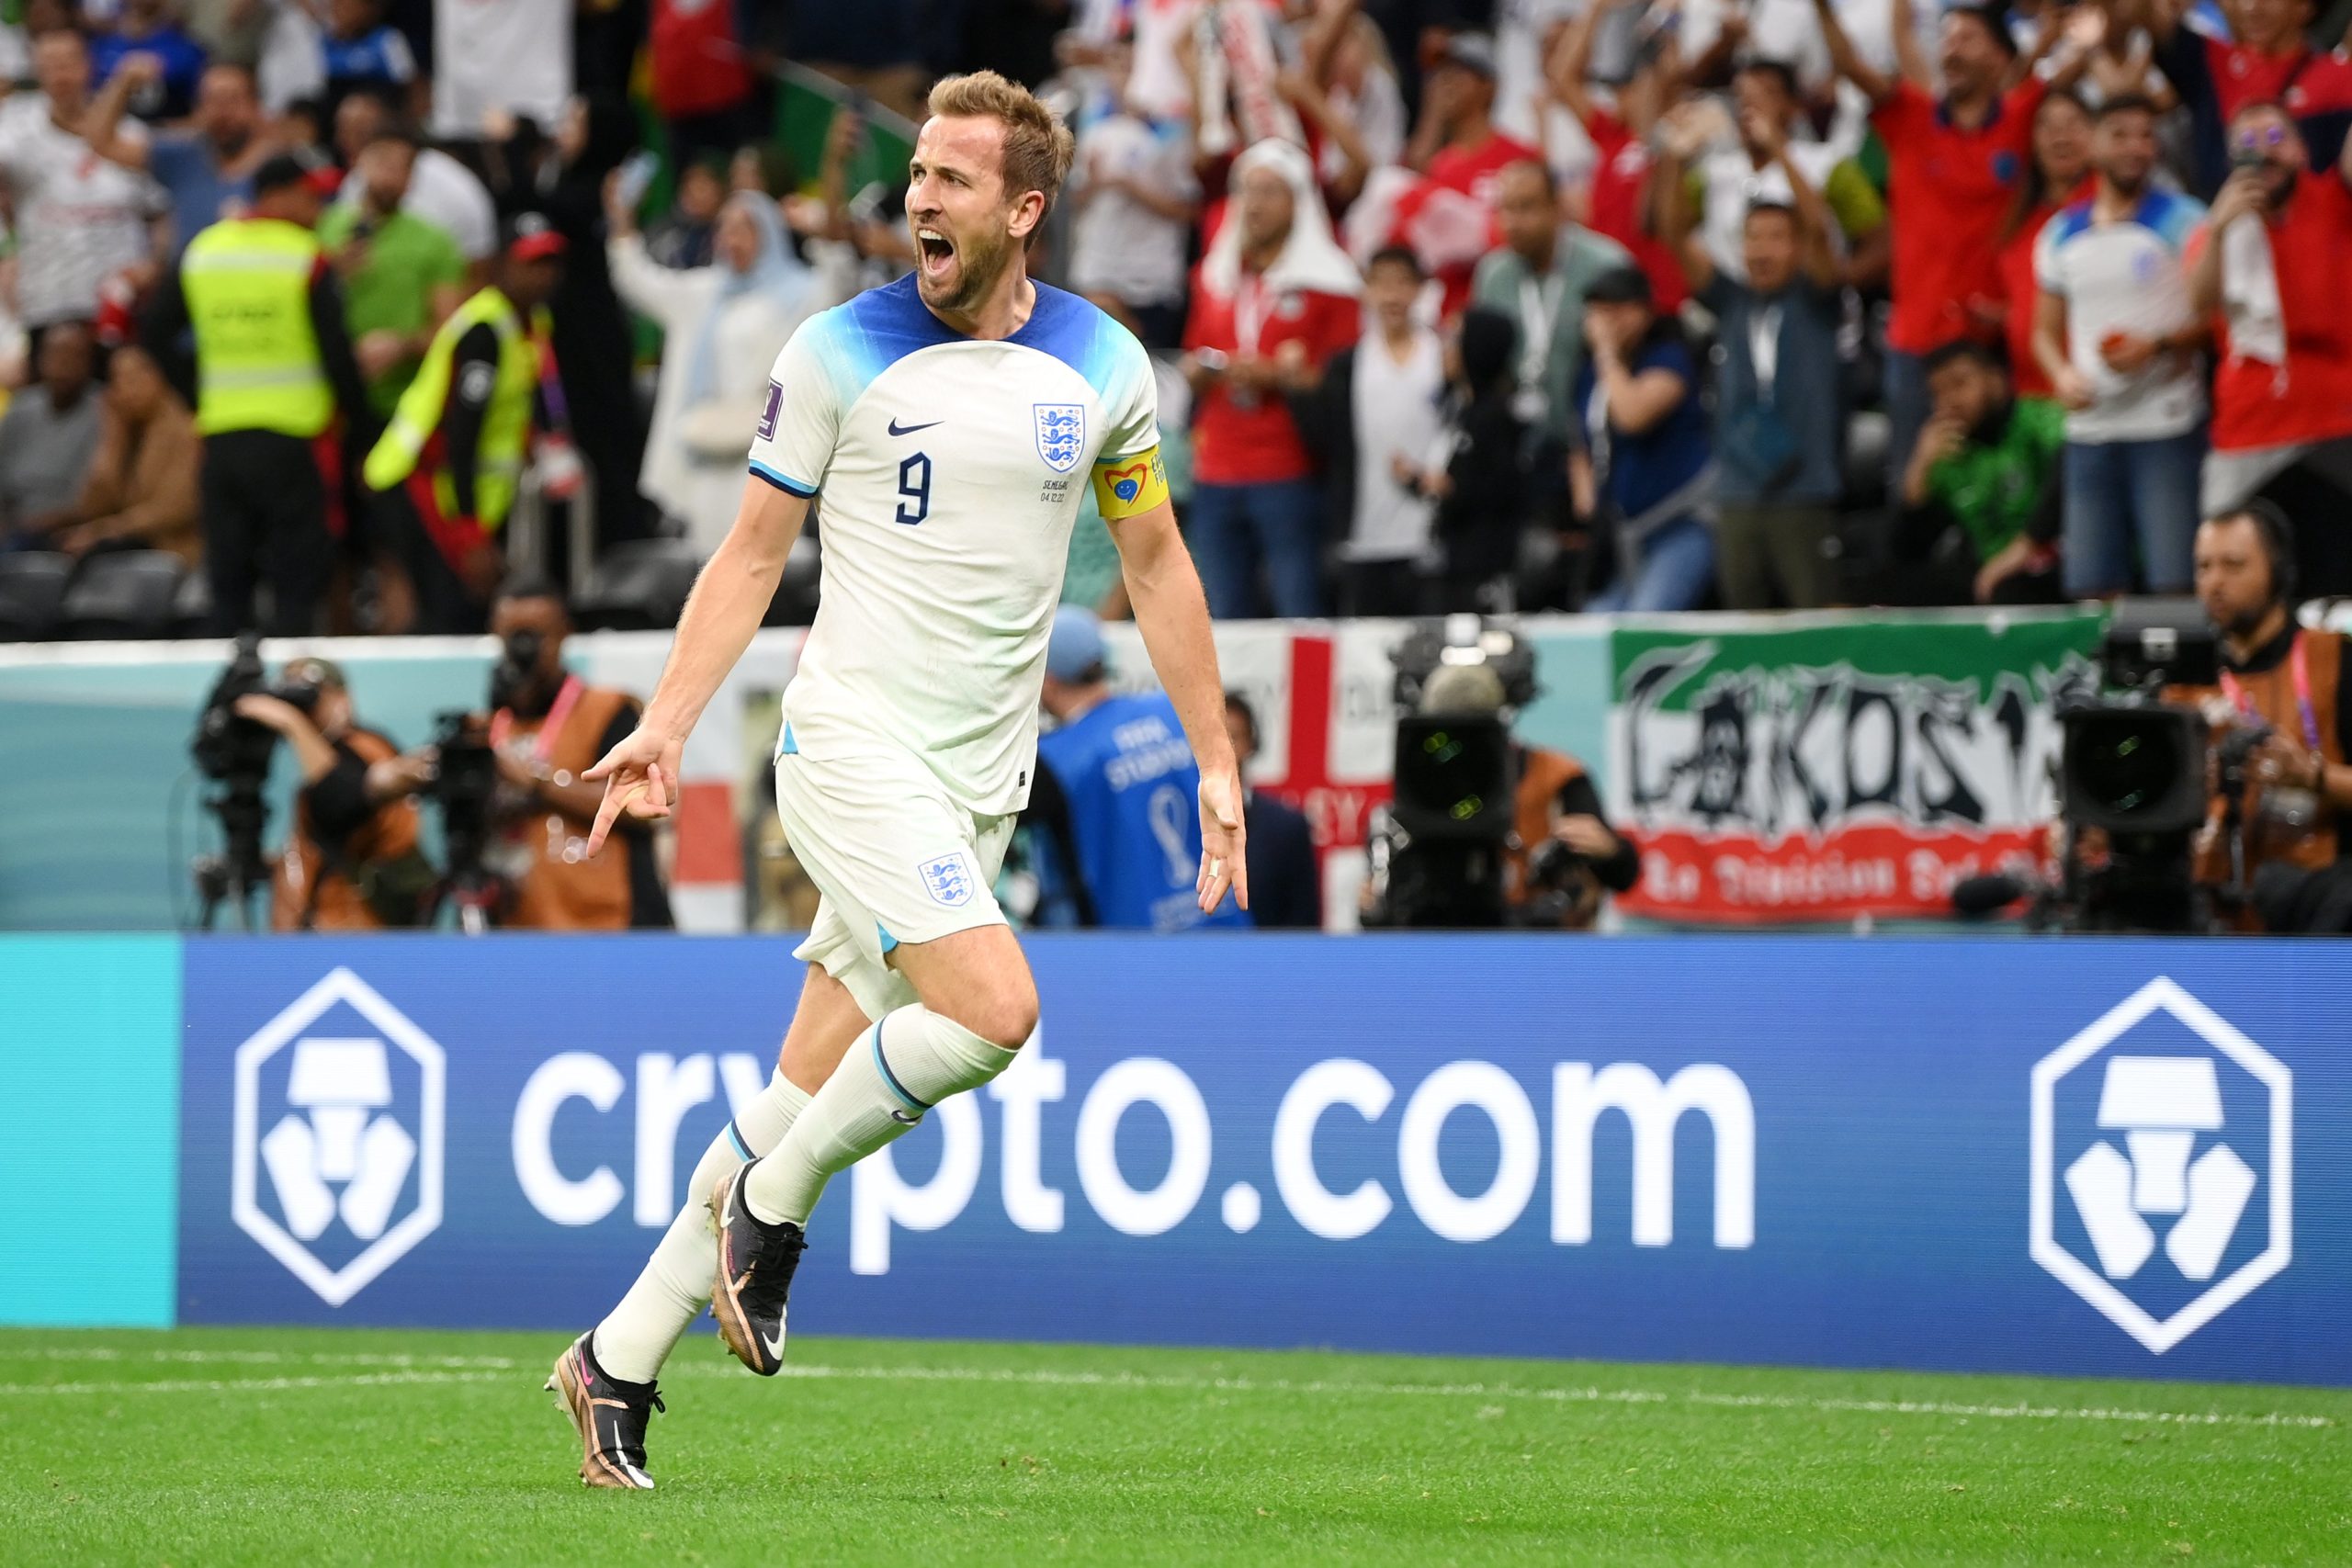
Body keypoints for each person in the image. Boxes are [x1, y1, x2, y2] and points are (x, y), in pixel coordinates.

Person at [550, 72, 1242, 1490]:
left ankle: (613, 1359)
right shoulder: (835, 351)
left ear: (1024, 210)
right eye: (917, 173)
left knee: (802, 1076)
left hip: (974, 788)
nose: (919, 197)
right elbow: (746, 556)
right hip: (851, 745)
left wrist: (1219, 752)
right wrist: (671, 722)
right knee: (996, 1010)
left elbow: (1158, 566)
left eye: (953, 180)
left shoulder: (1106, 366)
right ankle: (776, 1212)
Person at [1812, 0, 2058, 486]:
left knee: (2006, 483)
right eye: (1946, 38)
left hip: (1989, 343)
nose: (1952, 49)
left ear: (1998, 57)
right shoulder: (1912, 116)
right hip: (1915, 344)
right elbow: (1847, 64)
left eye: (1967, 38)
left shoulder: (2021, 118)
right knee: (1913, 483)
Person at [149, 153, 371, 635]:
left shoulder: (205, 250)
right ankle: (287, 697)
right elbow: (338, 356)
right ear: (275, 196)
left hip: (223, 436)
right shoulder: (303, 257)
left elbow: (154, 330)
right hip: (293, 439)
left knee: (229, 581)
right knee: (295, 583)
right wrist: (363, 430)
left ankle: (231, 692)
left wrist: (197, 392)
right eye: (311, 197)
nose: (320, 209)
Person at [1662, 119, 1848, 611]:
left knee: (1816, 622)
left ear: (1796, 248)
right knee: (1746, 628)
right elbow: (1674, 234)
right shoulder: (1732, 302)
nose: (1762, 250)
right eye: (1752, 238)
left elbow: (1819, 228)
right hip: (1739, 492)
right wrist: (1677, 161)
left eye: (1775, 238)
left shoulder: (1816, 301)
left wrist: (1781, 149)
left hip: (1805, 489)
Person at [609, 185, 850, 555]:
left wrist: (824, 220)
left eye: (745, 228)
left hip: (764, 454)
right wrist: (621, 221)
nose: (732, 238)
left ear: (768, 234)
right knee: (708, 561)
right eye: (725, 228)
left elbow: (839, 282)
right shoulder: (704, 292)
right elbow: (638, 280)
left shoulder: (800, 292)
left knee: (766, 556)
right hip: (706, 452)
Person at [2030, 94, 2207, 600]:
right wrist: (2060, 373)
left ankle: (2180, 681)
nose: (2137, 147)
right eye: (2121, 134)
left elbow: (2214, 318)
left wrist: (2157, 345)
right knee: (2090, 587)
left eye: (2147, 136)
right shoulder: (2061, 232)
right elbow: (2044, 331)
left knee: (2175, 581)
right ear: (2092, 143)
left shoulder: (2185, 220)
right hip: (2090, 431)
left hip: (2166, 425)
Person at [1181, 138, 1361, 619]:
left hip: (1290, 471)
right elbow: (1195, 351)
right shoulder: (1214, 277)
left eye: (1269, 191)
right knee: (1221, 614)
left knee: (1298, 608)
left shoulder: (1332, 283)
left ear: (1298, 202)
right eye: (1246, 191)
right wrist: (1199, 373)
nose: (1254, 203)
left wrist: (1278, 375)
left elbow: (1344, 384)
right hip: (1216, 467)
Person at [361, 214, 567, 632]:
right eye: (530, 263)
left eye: (549, 263)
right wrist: (470, 534)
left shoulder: (531, 323)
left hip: (458, 487)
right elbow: (461, 431)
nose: (541, 276)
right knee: (445, 611)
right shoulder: (484, 331)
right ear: (501, 266)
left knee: (461, 606)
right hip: (419, 477)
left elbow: (513, 404)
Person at [2188, 100, 2352, 600]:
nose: (2265, 156)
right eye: (2250, 145)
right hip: (2248, 427)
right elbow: (2198, 304)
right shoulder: (2214, 225)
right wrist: (2220, 230)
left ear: (2303, 151)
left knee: (2339, 578)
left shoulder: (2336, 201)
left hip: (2336, 424)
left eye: (2277, 140)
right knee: (2232, 574)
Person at [1026, 607, 1253, 931]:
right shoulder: (1172, 710)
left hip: (1130, 954)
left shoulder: (1054, 759)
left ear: (1047, 683)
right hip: (1222, 922)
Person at [2170, 503, 2352, 906]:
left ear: (2279, 571)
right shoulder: (2179, 681)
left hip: (2319, 889)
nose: (2214, 583)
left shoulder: (2335, 659)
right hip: (2205, 890)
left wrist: (2314, 776)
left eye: (2233, 566)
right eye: (2204, 567)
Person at [468, 577, 673, 930]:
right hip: (520, 927)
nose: (523, 650)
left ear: (564, 632)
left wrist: (538, 785)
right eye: (512, 637)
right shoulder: (487, 728)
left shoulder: (607, 710)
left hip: (610, 925)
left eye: (534, 636)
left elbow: (645, 804)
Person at [1295, 243, 1446, 616]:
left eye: (1402, 283)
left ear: (1420, 289)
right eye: (1381, 284)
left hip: (1431, 535)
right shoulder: (1346, 365)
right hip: (1364, 534)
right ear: (1366, 290)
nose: (1392, 295)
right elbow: (1324, 440)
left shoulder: (1443, 357)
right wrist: (1296, 391)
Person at [232, 656, 434, 931]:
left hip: (355, 932)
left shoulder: (366, 747)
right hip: (323, 927)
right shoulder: (321, 762)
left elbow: (340, 798)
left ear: (343, 700)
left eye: (309, 697)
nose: (303, 710)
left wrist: (292, 724)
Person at [0, 31, 168, 350]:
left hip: (118, 300)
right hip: (48, 297)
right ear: (36, 72)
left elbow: (160, 211)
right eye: (49, 65)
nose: (60, 75)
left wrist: (155, 266)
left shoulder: (130, 136)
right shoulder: (15, 131)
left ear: (88, 66)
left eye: (68, 63)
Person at [1573, 266, 1715, 612]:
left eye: (1616, 310)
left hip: (1681, 520)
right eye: (1598, 311)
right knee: (1596, 621)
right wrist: (1586, 495)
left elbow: (1632, 416)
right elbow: (1580, 437)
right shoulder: (1589, 374)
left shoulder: (1669, 359)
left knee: (1647, 619)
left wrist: (1606, 353)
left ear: (1643, 311)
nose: (1605, 322)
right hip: (1626, 533)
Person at [1469, 159, 1631, 464]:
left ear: (1557, 207)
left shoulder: (1604, 266)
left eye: (1526, 207)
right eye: (1506, 209)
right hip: (1518, 451)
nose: (1512, 222)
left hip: (1594, 449)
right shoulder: (1492, 275)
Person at [1898, 339, 2064, 604]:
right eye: (1937, 393)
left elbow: (2069, 476)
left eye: (1960, 384)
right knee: (1888, 589)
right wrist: (1919, 468)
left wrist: (2024, 546)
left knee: (2007, 591)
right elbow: (1909, 550)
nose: (1949, 401)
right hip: (1990, 574)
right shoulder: (1951, 451)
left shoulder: (2035, 420)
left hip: (2053, 563)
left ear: (1996, 380)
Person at [317, 126, 469, 414]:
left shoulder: (435, 241)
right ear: (360, 163)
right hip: (331, 398)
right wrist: (331, 275)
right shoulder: (324, 229)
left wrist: (402, 347)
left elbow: (449, 330)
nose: (391, 176)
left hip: (406, 402)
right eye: (383, 162)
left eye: (404, 168)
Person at [2141, 0, 2352, 195]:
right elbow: (2151, 17)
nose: (2251, 7)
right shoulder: (2213, 61)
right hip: (2223, 218)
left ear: (2304, 7)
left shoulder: (2339, 79)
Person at [1407, 305, 1532, 612]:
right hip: (1451, 560)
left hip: (1485, 567)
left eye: (1455, 341)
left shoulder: (1499, 417)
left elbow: (1506, 489)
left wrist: (1451, 488)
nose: (1445, 350)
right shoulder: (1459, 409)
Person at [56, 341, 202, 564]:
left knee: (95, 553)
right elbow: (91, 509)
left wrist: (109, 528)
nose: (126, 389)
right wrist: (111, 443)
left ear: (158, 376)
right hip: (126, 544)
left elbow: (176, 508)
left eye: (134, 378)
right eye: (118, 380)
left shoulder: (187, 432)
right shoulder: (123, 432)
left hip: (169, 549)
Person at [1996, 88, 2093, 402]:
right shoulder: (2019, 218)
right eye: (2047, 126)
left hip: (2089, 392)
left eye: (2073, 124)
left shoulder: (2114, 208)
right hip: (2028, 399)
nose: (2060, 137)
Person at [331, 90, 498, 265]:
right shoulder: (355, 183)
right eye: (344, 131)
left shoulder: (454, 190)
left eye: (361, 132)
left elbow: (479, 262)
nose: (348, 140)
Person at [146, 63, 277, 259]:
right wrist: (125, 82)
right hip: (187, 282)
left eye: (233, 100)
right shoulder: (181, 157)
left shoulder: (283, 168)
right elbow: (103, 142)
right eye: (212, 100)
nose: (223, 113)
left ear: (255, 106)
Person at [0, 321, 105, 551]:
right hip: (14, 525)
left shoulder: (104, 411)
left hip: (66, 529)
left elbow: (97, 495)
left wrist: (39, 524)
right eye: (55, 354)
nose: (62, 365)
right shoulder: (21, 408)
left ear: (90, 363)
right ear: (39, 360)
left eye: (74, 356)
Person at [1222, 691, 1320, 930]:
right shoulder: (1169, 826)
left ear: (1251, 744)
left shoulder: (1286, 827)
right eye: (1211, 741)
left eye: (1233, 738)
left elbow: (1304, 921)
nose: (1221, 751)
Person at [90, 0, 210, 122]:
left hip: (164, 133)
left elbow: (200, 112)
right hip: (106, 130)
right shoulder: (101, 45)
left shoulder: (186, 50)